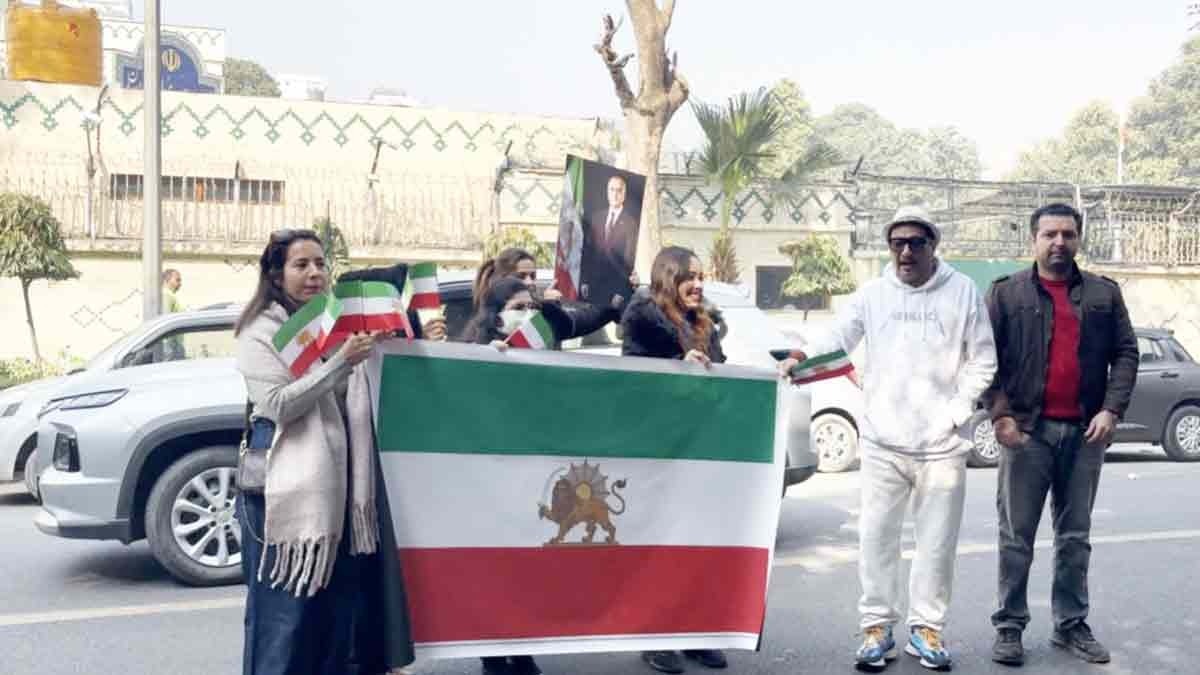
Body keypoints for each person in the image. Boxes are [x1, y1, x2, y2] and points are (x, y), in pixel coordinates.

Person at [778, 206, 997, 672]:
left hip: (941, 449)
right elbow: (837, 335)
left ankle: (927, 630)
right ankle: (876, 629)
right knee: (876, 540)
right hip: (882, 444)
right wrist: (801, 353)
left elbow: (982, 361)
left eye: (916, 242)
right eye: (897, 242)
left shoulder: (963, 293)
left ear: (933, 246)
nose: (906, 251)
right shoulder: (873, 294)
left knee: (936, 545)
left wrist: (955, 414)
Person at [234, 228, 414, 675]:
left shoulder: (332, 325)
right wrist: (340, 364)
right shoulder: (260, 332)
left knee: (332, 620)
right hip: (285, 485)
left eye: (320, 264)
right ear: (276, 275)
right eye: (301, 265)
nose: (314, 273)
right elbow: (277, 404)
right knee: (286, 617)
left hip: (337, 487)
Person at [985, 203, 1138, 667]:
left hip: (1085, 434)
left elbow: (1127, 353)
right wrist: (1000, 416)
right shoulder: (1007, 294)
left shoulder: (1103, 294)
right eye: (1050, 234)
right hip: (1026, 434)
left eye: (1068, 234)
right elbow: (982, 358)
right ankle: (1009, 627)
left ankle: (1070, 625)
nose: (1059, 243)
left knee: (1074, 537)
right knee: (1017, 537)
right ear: (1033, 239)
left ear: (1078, 240)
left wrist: (1111, 410)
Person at [620, 246, 727, 674]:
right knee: (658, 547)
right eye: (689, 276)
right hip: (656, 450)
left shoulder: (706, 324)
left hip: (699, 448)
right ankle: (656, 638)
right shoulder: (642, 319)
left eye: (702, 277)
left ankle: (696, 633)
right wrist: (677, 366)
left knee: (697, 545)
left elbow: (720, 377)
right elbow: (634, 383)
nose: (698, 284)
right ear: (668, 278)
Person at [581, 174, 639, 306]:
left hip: (616, 292)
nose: (615, 194)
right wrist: (584, 281)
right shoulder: (596, 218)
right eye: (612, 190)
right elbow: (588, 253)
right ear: (607, 192)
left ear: (624, 194)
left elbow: (628, 260)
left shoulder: (631, 224)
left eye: (619, 190)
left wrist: (621, 292)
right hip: (593, 287)